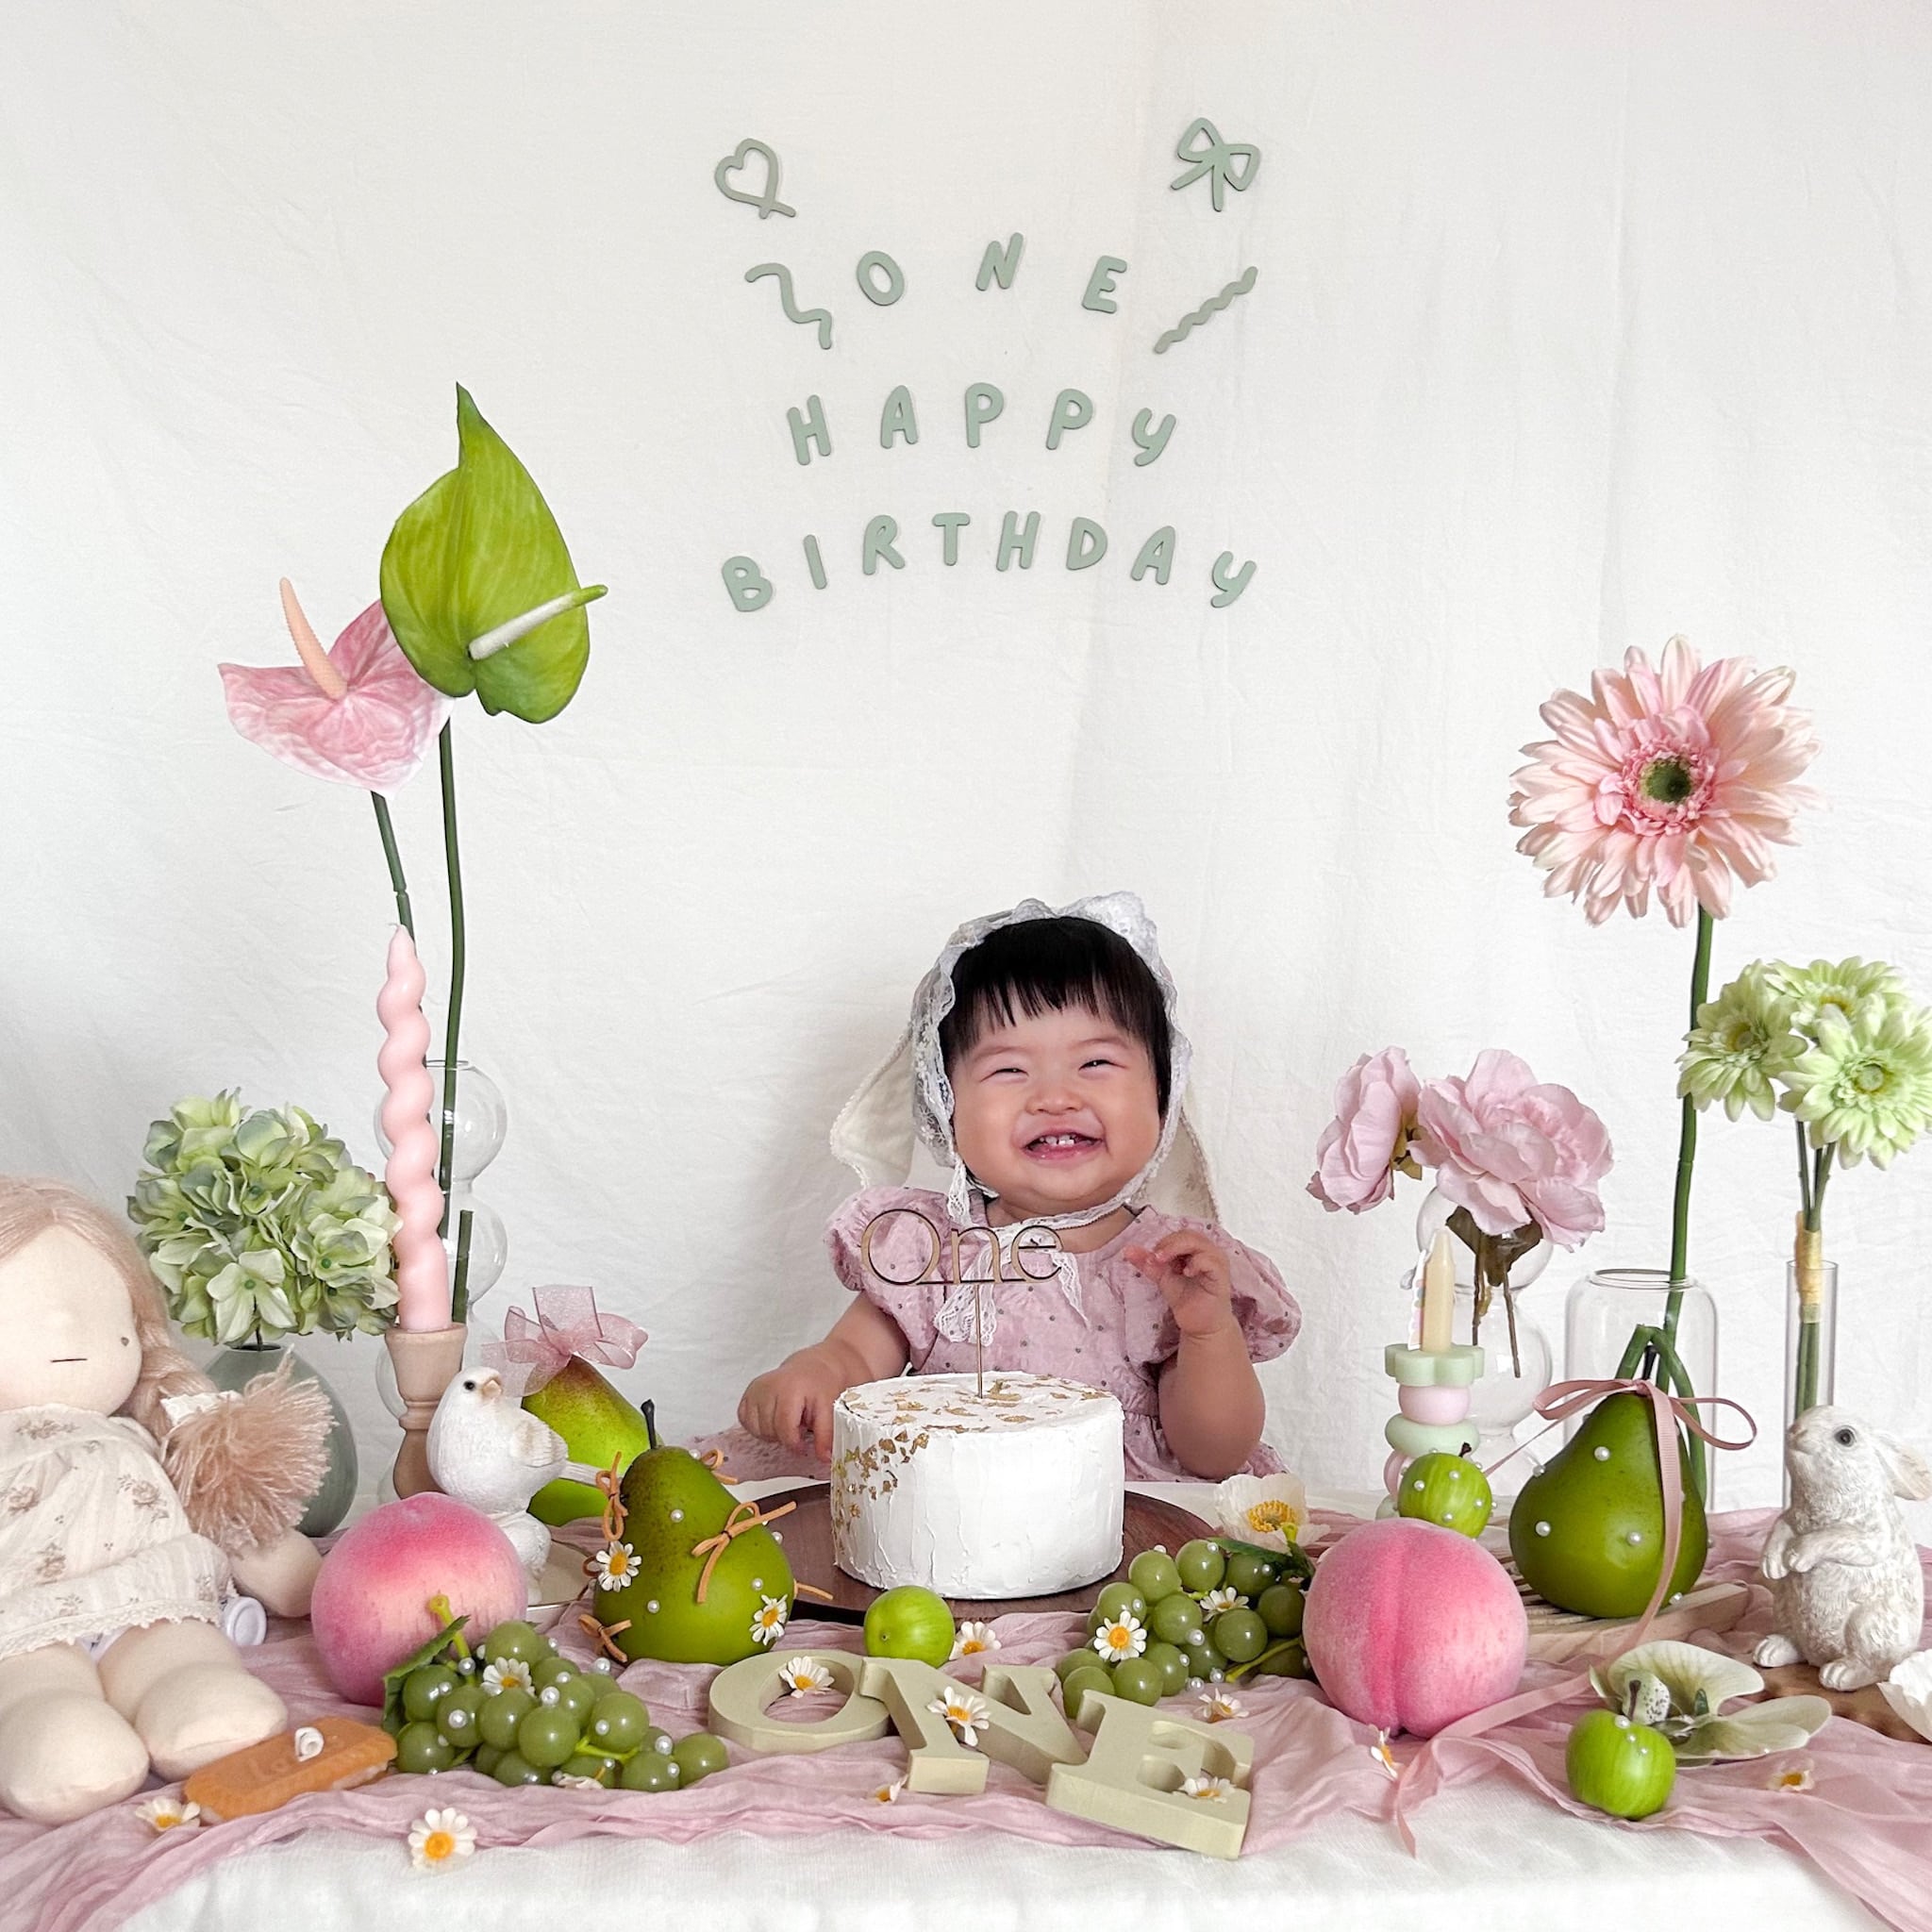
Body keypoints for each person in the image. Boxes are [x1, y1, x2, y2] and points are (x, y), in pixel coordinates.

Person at [728, 893, 1298, 1480]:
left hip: (1114, 1512)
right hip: (947, 1502)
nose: (1055, 1097)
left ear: (1162, 1091)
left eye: (1095, 1064)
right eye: (1009, 1070)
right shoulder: (930, 1250)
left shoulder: (1171, 1268)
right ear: (945, 1105)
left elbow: (1213, 1453)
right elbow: (854, 1355)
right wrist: (817, 1372)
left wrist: (1207, 1332)